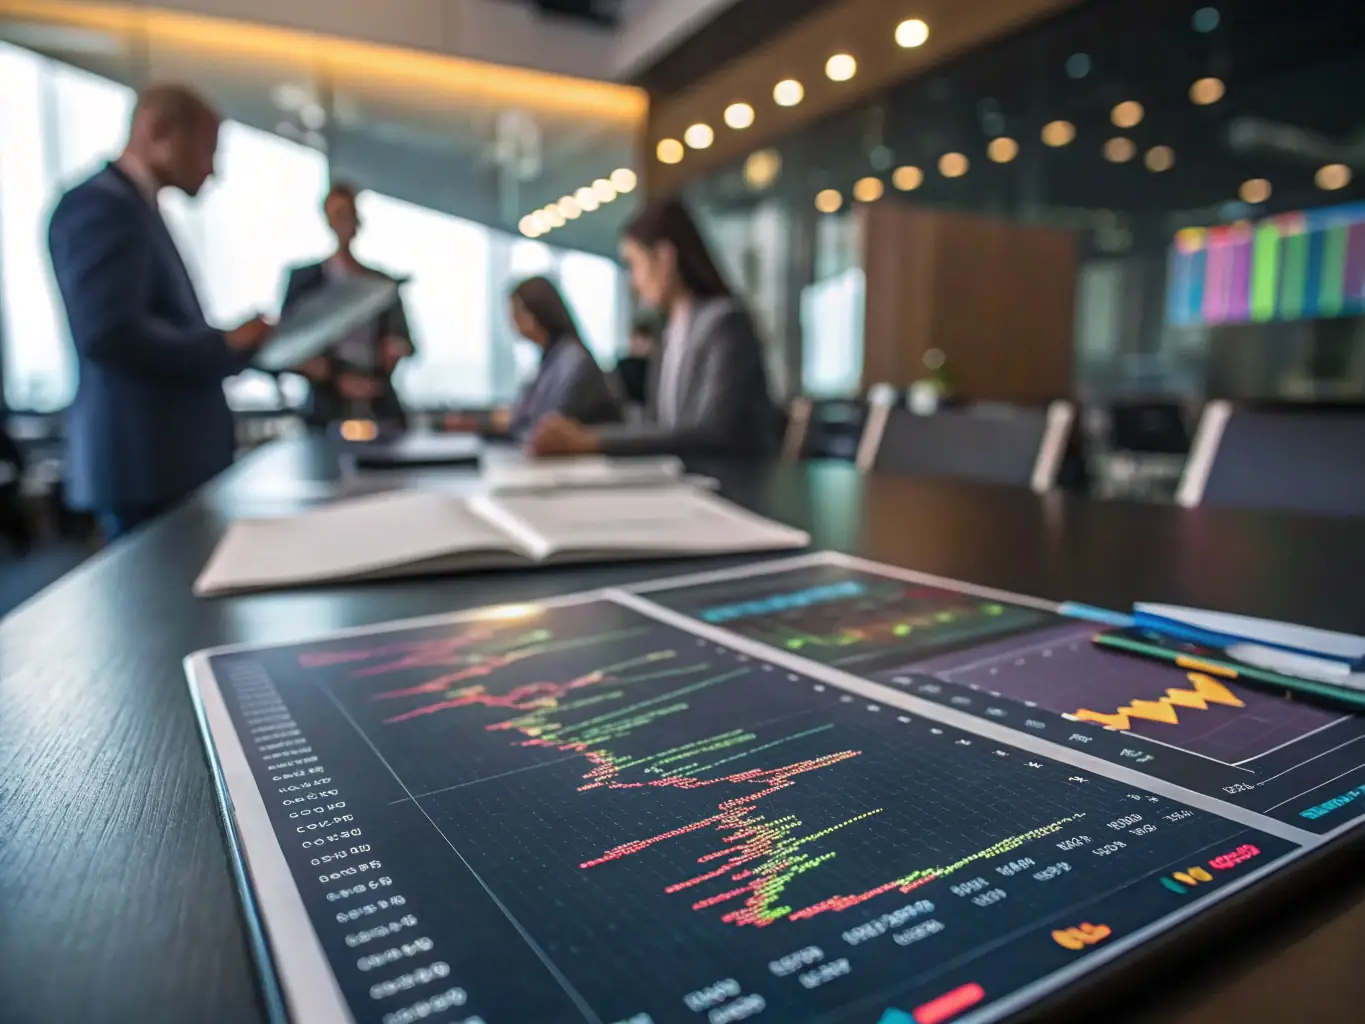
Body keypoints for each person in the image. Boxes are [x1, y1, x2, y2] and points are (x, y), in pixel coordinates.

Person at [47, 83, 270, 541]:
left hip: (166, 465)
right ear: (159, 129)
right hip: (146, 466)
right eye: (208, 150)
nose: (212, 169)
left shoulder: (136, 208)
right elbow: (109, 335)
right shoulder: (100, 207)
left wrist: (236, 347)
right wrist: (223, 343)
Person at [529, 199, 779, 458]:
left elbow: (709, 433)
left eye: (633, 264)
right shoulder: (669, 333)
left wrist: (592, 440)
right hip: (682, 483)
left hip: (733, 488)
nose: (633, 282)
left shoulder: (725, 325)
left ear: (664, 258)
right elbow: (657, 426)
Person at [280, 182, 414, 428]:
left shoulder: (380, 284)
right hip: (326, 409)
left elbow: (406, 341)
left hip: (379, 404)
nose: (343, 222)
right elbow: (287, 349)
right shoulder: (306, 281)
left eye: (347, 214)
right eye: (337, 215)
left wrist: (394, 350)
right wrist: (332, 376)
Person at [614, 314, 657, 408]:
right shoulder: (623, 366)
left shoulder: (656, 366)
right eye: (634, 338)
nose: (637, 343)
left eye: (643, 339)